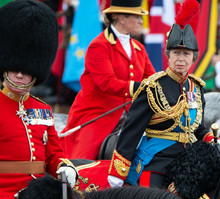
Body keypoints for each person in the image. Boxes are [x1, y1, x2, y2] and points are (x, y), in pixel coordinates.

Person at [0, 1, 78, 199]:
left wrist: (64, 166)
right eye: (15, 69)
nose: (20, 75)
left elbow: (53, 156)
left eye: (26, 70)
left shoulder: (43, 110)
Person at [107, 19, 218, 188]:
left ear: (194, 58)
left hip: (187, 165)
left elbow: (196, 126)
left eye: (186, 54)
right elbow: (132, 130)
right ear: (168, 55)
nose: (180, 59)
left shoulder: (196, 87)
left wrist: (210, 138)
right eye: (176, 53)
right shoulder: (153, 86)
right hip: (156, 161)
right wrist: (118, 172)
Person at [61, 0, 156, 160]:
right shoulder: (98, 46)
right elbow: (106, 82)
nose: (141, 21)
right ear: (122, 18)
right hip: (98, 115)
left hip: (131, 116)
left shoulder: (139, 48)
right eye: (137, 16)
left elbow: (152, 79)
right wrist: (138, 87)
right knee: (83, 160)